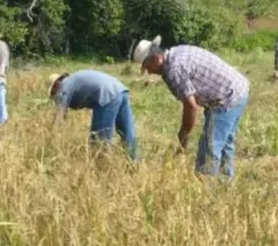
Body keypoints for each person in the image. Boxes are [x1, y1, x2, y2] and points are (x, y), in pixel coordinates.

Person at [132, 35, 250, 178]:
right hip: (238, 89)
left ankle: (205, 192)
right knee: (225, 144)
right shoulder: (176, 53)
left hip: (227, 97)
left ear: (157, 58)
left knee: (209, 151)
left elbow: (191, 107)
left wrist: (183, 136)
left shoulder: (174, 69)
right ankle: (225, 187)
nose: (149, 72)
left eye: (148, 67)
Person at [48, 70, 138, 161]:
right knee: (127, 132)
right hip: (121, 90)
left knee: (100, 138)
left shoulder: (63, 88)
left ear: (56, 86)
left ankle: (102, 166)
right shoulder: (73, 80)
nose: (54, 96)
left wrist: (50, 139)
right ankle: (134, 163)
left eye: (52, 93)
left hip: (106, 95)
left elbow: (59, 115)